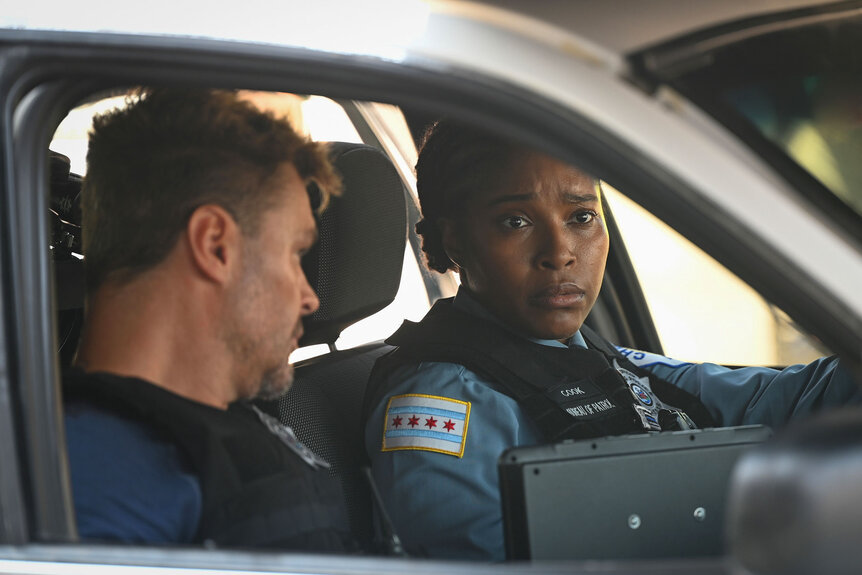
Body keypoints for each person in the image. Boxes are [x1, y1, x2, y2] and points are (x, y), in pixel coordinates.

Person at [362, 119, 862, 561]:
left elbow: (788, 399)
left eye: (581, 217)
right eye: (515, 221)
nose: (560, 253)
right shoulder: (440, 400)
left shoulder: (596, 360)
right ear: (455, 240)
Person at [64, 88, 355, 551]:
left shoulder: (182, 441)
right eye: (297, 253)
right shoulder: (103, 483)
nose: (311, 298)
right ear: (216, 245)